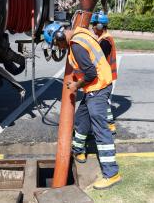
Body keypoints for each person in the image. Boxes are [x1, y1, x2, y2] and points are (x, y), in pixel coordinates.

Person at [44, 22, 122, 190]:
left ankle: (111, 174)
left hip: (98, 88)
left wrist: (75, 86)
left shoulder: (77, 46)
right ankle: (79, 150)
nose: (59, 47)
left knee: (100, 129)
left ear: (59, 37)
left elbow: (91, 73)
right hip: (94, 88)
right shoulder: (80, 34)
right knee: (81, 118)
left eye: (57, 44)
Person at [91, 11, 118, 133]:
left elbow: (98, 60)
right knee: (104, 102)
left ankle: (105, 127)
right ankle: (110, 124)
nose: (92, 27)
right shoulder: (104, 39)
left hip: (104, 77)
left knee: (98, 101)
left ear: (100, 26)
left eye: (94, 25)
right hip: (106, 76)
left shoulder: (105, 42)